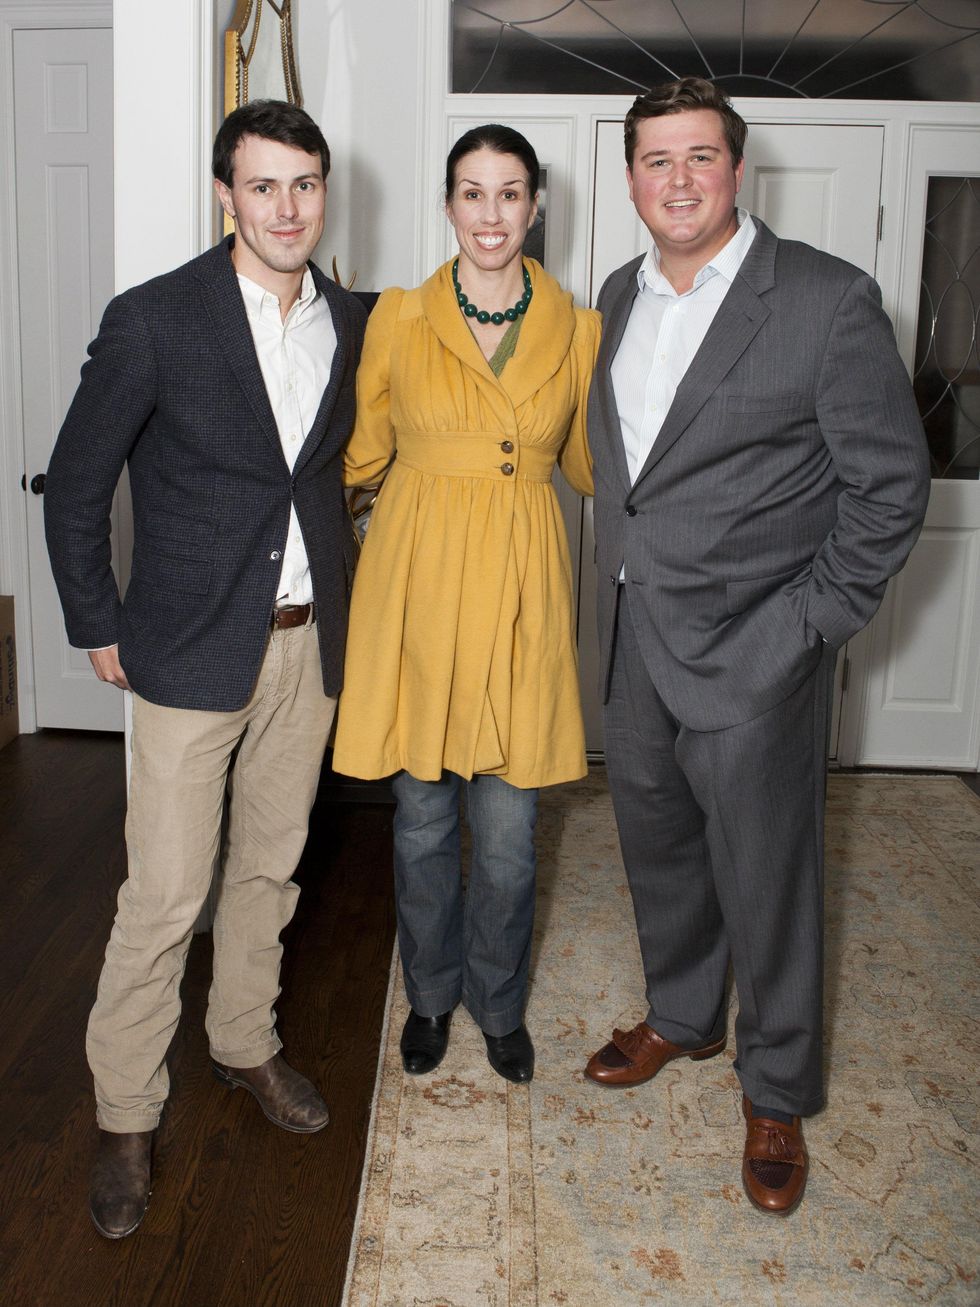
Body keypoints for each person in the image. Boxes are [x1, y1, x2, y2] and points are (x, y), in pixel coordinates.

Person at [584, 78, 930, 1214]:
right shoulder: (615, 295)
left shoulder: (825, 301)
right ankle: (681, 1014)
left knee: (768, 877)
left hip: (758, 648)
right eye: (652, 160)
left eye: (697, 158)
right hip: (637, 639)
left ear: (736, 170)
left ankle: (775, 1085)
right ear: (629, 175)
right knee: (659, 847)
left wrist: (807, 626)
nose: (674, 180)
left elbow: (887, 489)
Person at [44, 99, 366, 1239]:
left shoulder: (356, 321)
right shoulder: (155, 318)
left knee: (270, 869)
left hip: (308, 645)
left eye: (306, 184)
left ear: (325, 192)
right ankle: (127, 1111)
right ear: (225, 193)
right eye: (264, 184)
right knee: (164, 895)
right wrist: (95, 621)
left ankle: (243, 1041)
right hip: (183, 649)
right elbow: (79, 482)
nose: (288, 207)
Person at [332, 125, 599, 1085]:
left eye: (511, 193)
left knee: (514, 834)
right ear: (448, 205)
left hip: (524, 586)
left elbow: (592, 465)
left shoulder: (579, 326)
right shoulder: (399, 319)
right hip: (419, 584)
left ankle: (498, 1001)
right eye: (473, 194)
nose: (492, 214)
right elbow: (359, 458)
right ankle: (432, 998)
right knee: (422, 819)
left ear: (535, 206)